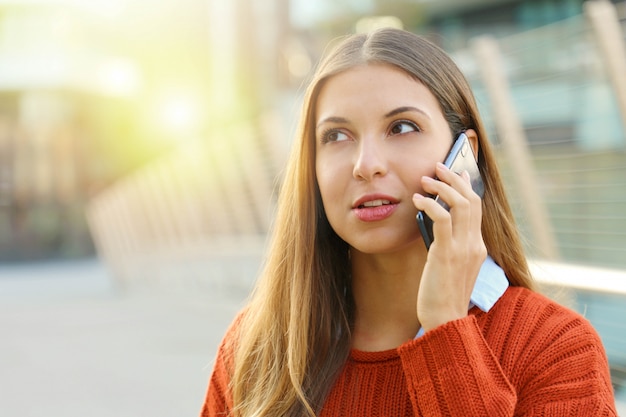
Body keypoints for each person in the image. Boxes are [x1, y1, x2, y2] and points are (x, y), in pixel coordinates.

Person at [200, 27, 617, 416]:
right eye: (336, 136)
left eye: (401, 127)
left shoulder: (557, 349)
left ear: (464, 155)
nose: (366, 166)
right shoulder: (259, 346)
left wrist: (447, 329)